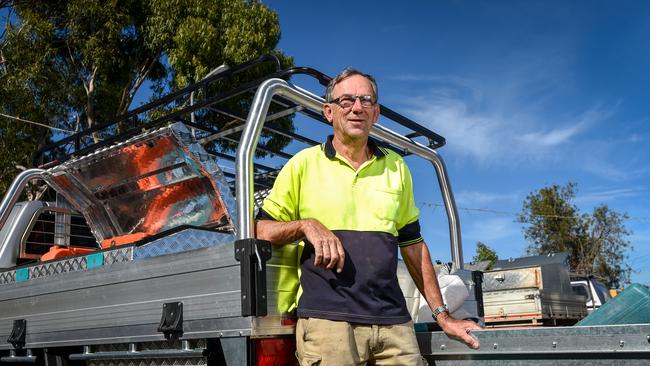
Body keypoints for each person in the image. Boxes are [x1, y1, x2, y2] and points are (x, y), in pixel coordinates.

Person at [256, 68, 480, 365]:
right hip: (328, 323)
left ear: (375, 114)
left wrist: (443, 316)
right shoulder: (303, 164)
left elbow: (413, 245)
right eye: (346, 100)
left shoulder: (396, 167)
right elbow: (260, 229)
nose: (357, 107)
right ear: (329, 111)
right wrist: (305, 226)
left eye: (366, 100)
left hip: (394, 324)